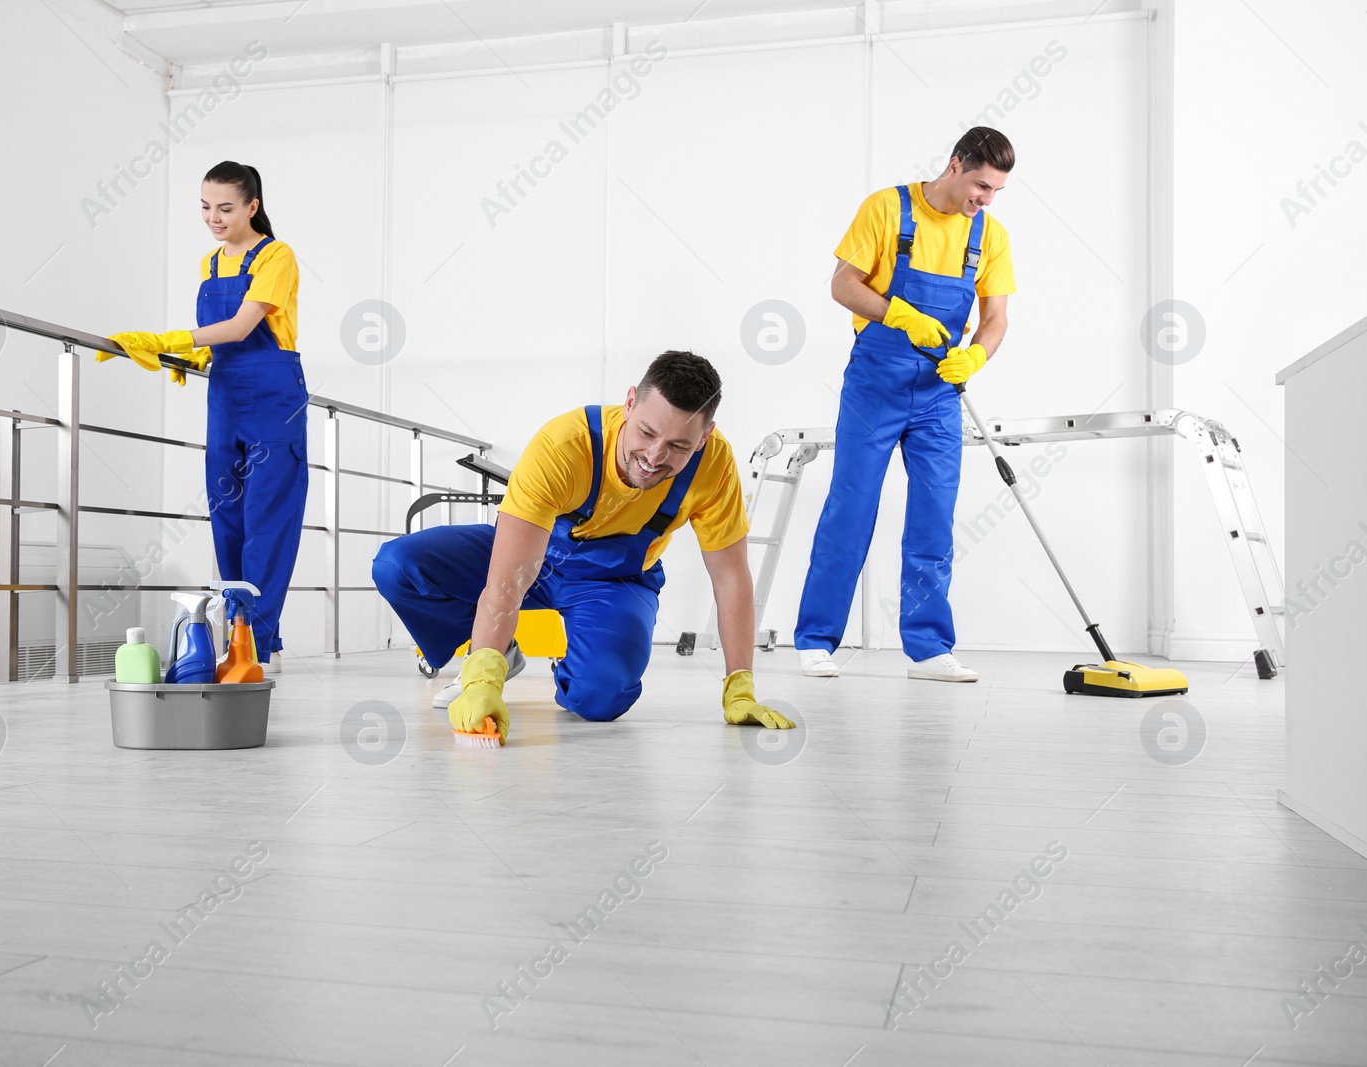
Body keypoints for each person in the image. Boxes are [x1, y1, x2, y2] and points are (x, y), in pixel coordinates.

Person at [373, 351, 793, 740]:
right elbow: (507, 579)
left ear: (704, 437)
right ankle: (498, 650)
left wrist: (740, 686)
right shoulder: (564, 446)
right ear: (630, 403)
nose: (653, 455)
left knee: (601, 698)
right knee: (399, 566)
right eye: (646, 432)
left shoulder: (715, 465)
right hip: (532, 557)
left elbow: (731, 578)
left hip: (616, 581)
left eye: (678, 445)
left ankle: (577, 671)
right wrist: (484, 674)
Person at [795, 127, 1017, 682]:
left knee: (934, 519)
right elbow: (842, 285)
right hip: (876, 381)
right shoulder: (888, 209)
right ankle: (817, 640)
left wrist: (975, 359)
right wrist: (898, 313)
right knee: (851, 507)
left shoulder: (989, 235)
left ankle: (929, 648)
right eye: (980, 185)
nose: (984, 199)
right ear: (955, 164)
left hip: (941, 390)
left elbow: (995, 321)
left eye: (994, 192)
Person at [97, 161, 306, 670]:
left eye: (226, 208)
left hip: (274, 400)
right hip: (226, 399)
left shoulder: (277, 256)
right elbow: (221, 341)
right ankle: (237, 636)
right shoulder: (209, 265)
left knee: (266, 520)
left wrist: (169, 340)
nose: (214, 217)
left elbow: (239, 327)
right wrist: (192, 357)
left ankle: (257, 641)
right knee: (227, 518)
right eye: (206, 207)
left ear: (252, 207)